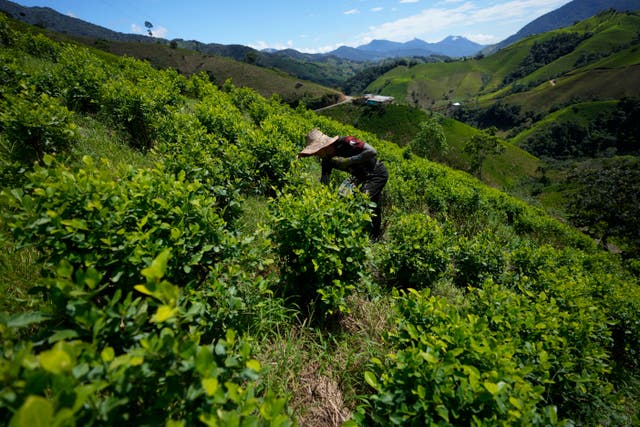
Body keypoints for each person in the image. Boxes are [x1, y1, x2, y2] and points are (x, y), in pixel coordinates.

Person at [298, 128, 388, 239]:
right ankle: (374, 234)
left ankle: (368, 236)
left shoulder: (345, 142)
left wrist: (349, 161)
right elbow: (324, 182)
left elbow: (372, 152)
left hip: (376, 174)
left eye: (317, 151)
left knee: (362, 200)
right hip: (359, 177)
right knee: (356, 201)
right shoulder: (326, 160)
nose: (317, 155)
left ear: (324, 146)